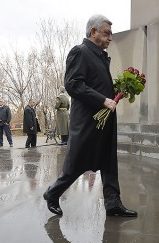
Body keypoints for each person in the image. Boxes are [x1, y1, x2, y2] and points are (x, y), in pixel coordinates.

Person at [43, 14, 137, 217]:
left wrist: (117, 92)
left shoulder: (100, 56)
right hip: (87, 121)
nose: (110, 38)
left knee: (109, 161)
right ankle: (53, 193)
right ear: (93, 32)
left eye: (110, 34)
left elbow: (96, 84)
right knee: (77, 162)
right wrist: (103, 100)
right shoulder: (80, 51)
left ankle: (113, 203)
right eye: (106, 33)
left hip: (104, 120)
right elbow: (74, 84)